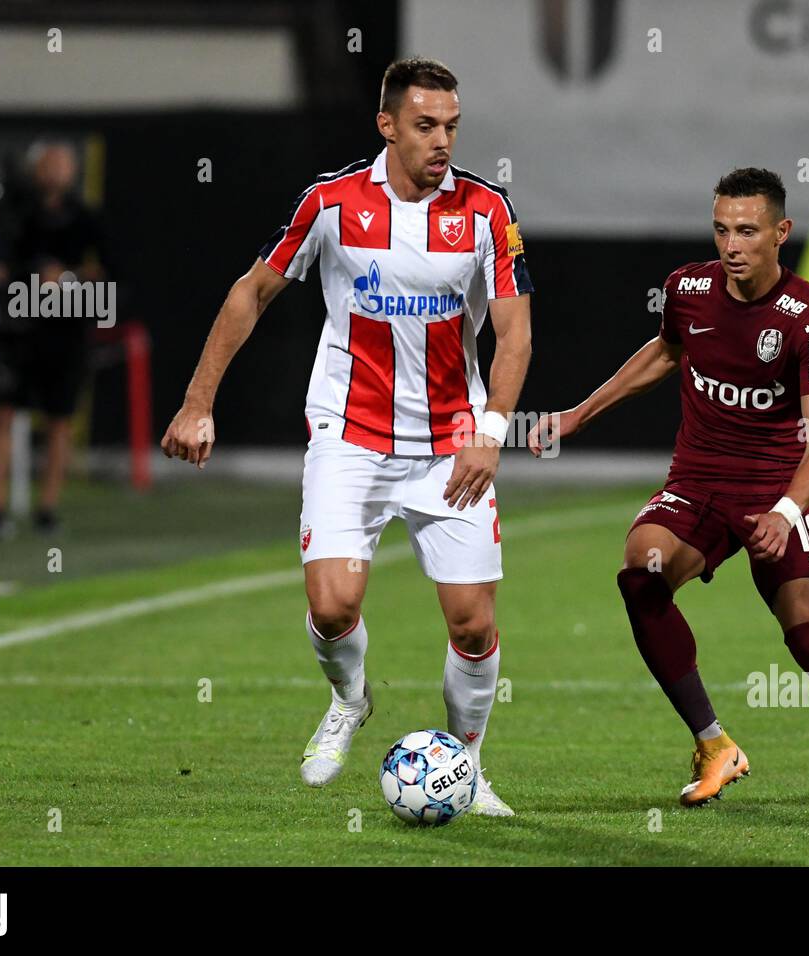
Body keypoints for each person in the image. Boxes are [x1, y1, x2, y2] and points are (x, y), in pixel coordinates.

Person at [161, 57, 533, 816]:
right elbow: (251, 291)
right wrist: (198, 402)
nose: (442, 142)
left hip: (448, 445)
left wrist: (490, 432)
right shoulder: (331, 204)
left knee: (473, 622)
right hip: (349, 434)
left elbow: (515, 336)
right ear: (387, 125)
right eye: (426, 126)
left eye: (452, 127)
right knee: (333, 607)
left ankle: (466, 766)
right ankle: (349, 700)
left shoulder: (488, 211)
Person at [528, 168, 809, 810]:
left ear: (780, 233)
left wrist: (788, 512)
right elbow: (662, 353)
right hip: (698, 485)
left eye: (748, 231)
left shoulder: (808, 319)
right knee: (641, 574)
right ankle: (714, 744)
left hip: (776, 492)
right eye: (722, 229)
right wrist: (575, 415)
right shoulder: (689, 289)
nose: (732, 245)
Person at [0, 140, 109, 536]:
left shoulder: (86, 218)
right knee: (3, 412)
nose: (54, 171)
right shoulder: (16, 213)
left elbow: (108, 273)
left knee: (59, 419)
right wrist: (35, 280)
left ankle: (47, 508)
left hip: (67, 330)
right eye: (48, 164)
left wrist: (66, 279)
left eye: (62, 164)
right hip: (20, 328)